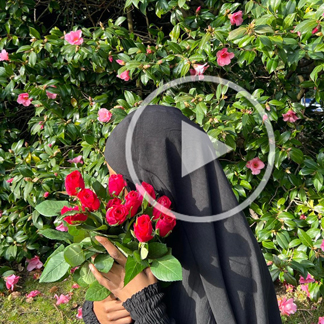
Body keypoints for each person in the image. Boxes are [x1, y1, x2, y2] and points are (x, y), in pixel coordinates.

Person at [82, 105, 282, 324]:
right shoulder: (136, 247)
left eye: (123, 182)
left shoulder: (239, 276)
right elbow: (108, 307)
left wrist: (145, 306)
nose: (118, 198)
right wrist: (98, 312)